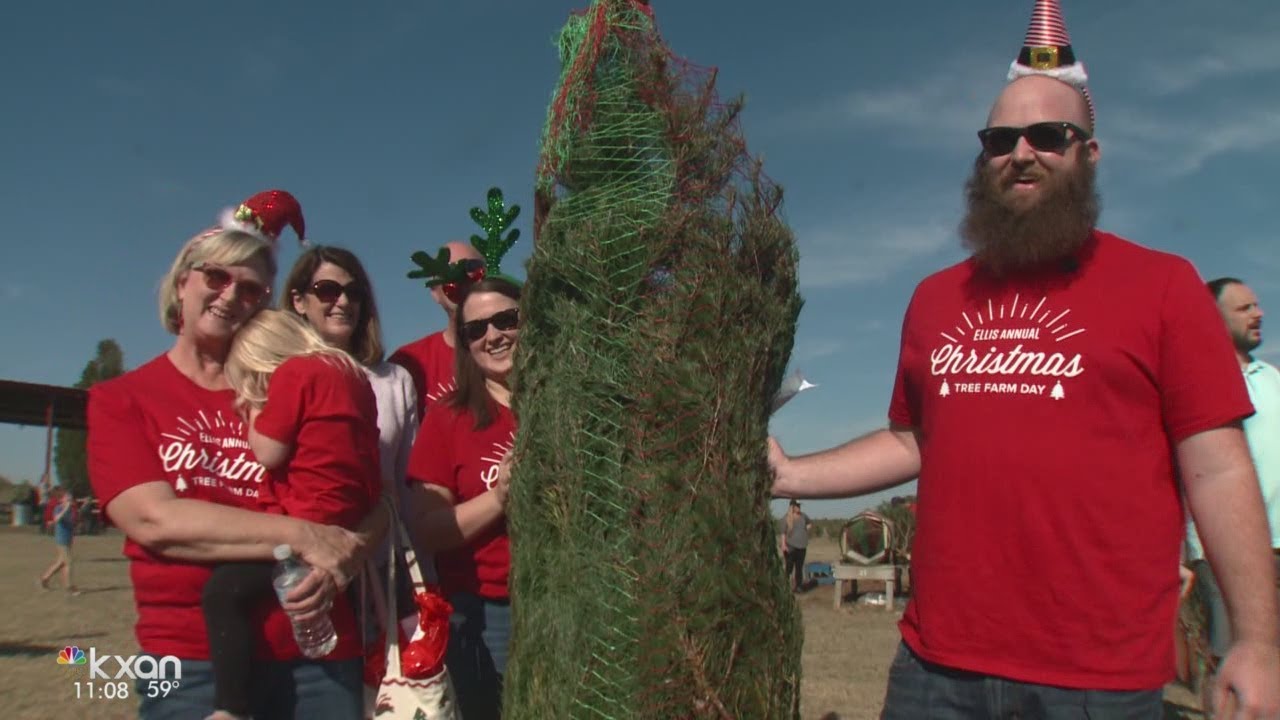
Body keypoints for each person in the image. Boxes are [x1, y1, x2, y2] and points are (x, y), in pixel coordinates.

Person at [769, 3, 1280, 717]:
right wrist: (792, 473)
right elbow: (910, 439)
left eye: (1048, 135)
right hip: (934, 670)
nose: (1022, 151)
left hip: (1097, 681)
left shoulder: (1163, 285)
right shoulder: (934, 298)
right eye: (1000, 138)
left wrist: (1257, 640)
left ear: (1088, 154)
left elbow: (1220, 467)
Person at [87, 190, 386, 720]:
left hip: (316, 651)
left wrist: (349, 554)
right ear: (182, 283)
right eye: (216, 277)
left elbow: (374, 499)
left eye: (251, 288)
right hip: (195, 662)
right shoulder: (122, 399)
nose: (231, 295)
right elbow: (155, 520)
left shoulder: (287, 386)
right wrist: (303, 536)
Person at [202, 309, 383, 720]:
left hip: (307, 519)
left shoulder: (294, 373)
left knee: (222, 593)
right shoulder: (354, 377)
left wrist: (251, 413)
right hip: (348, 516)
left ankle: (230, 708)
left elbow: (268, 452)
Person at [406, 277, 519, 720]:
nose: (493, 335)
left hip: (572, 599)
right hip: (489, 613)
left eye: (507, 319)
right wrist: (500, 497)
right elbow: (429, 528)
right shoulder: (448, 418)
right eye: (476, 329)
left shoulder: (566, 408)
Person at [1186, 279, 1280, 671]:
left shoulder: (1271, 376)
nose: (1258, 314)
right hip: (1226, 549)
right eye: (1244, 308)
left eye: (1256, 305)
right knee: (1235, 667)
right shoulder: (1195, 379)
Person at [283, 246, 418, 514]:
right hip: (298, 544)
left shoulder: (394, 380)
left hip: (381, 546)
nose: (343, 302)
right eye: (327, 290)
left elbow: (408, 487)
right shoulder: (278, 374)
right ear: (299, 301)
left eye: (354, 293)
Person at [390, 241, 486, 419]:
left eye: (471, 266)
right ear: (435, 292)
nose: (460, 276)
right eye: (447, 270)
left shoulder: (513, 352)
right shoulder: (407, 363)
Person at [39, 489, 79, 594]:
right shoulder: (59, 508)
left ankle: (44, 579)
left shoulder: (71, 510)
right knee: (69, 562)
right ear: (61, 499)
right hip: (61, 540)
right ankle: (69, 587)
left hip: (68, 539)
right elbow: (56, 519)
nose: (70, 499)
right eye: (67, 497)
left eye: (70, 497)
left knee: (61, 563)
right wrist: (65, 508)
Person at [782, 500, 812, 592]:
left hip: (802, 546)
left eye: (799, 505)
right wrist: (783, 544)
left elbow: (810, 523)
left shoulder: (803, 516)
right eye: (797, 505)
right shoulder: (786, 518)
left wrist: (805, 529)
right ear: (792, 506)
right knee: (789, 567)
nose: (799, 507)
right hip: (790, 546)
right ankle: (785, 587)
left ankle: (798, 586)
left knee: (799, 567)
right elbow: (783, 533)